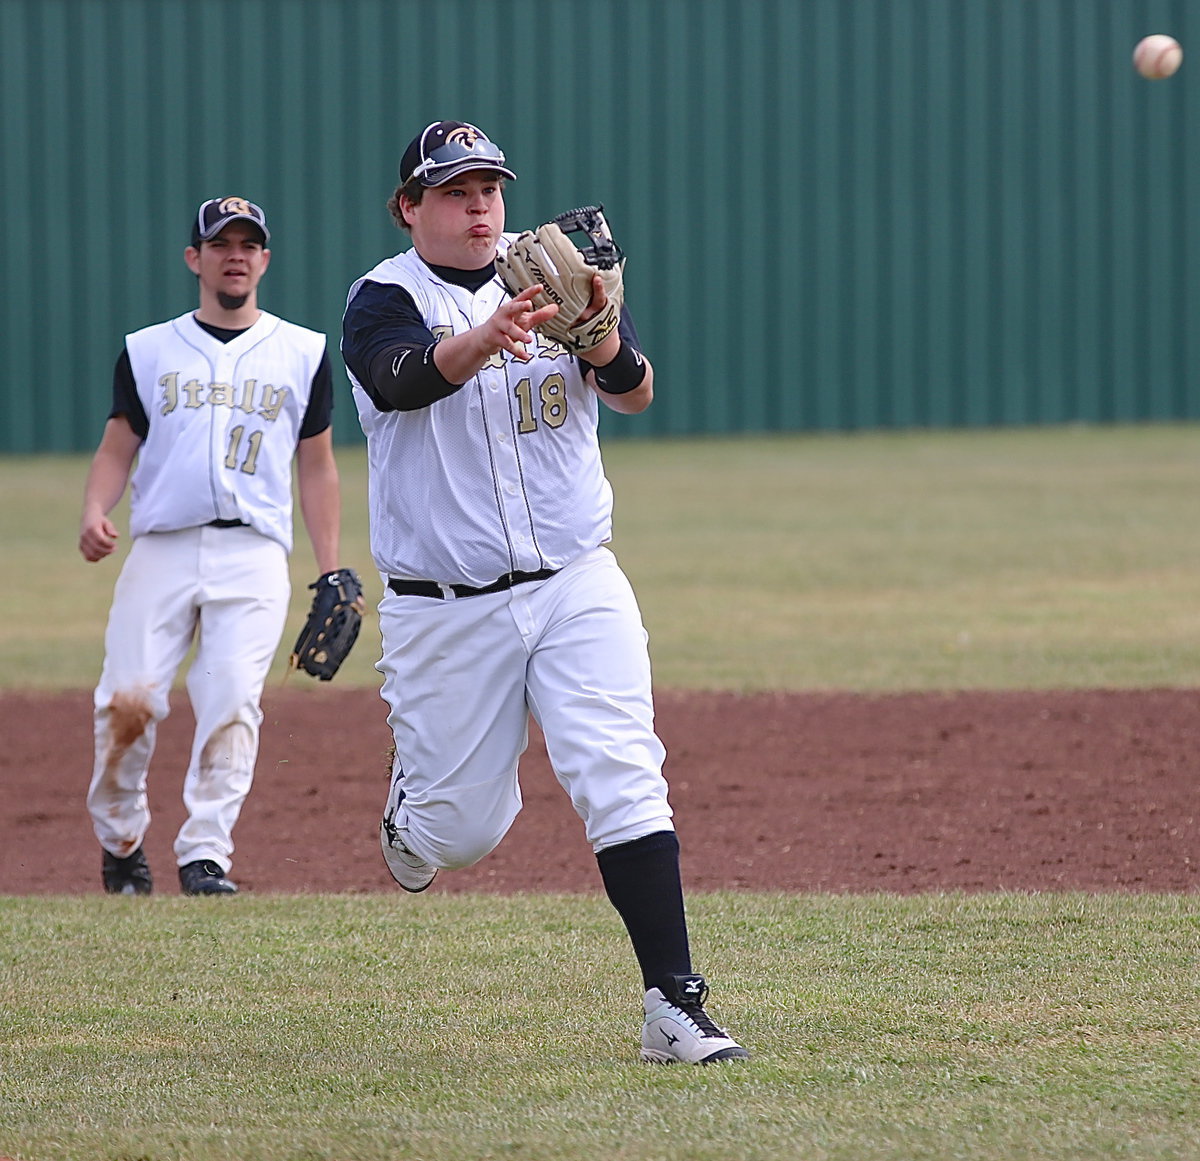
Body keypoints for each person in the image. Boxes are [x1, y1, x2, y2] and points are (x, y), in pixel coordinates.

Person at [341, 120, 749, 1064]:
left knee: (621, 770)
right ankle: (413, 806)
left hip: (576, 578)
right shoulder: (381, 298)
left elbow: (637, 391)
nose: (478, 205)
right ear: (410, 208)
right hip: (446, 605)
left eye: (488, 187)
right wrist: (487, 335)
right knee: (461, 832)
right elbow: (400, 383)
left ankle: (672, 1002)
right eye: (453, 190)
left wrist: (602, 339)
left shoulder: (554, 270)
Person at [79, 196, 344, 897]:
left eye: (248, 243)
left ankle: (206, 853)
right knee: (126, 700)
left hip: (254, 553)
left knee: (231, 700)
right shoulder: (148, 349)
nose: (235, 254)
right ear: (194, 258)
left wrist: (330, 567)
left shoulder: (302, 351)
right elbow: (115, 449)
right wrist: (93, 507)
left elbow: (315, 465)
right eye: (219, 243)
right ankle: (121, 838)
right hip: (161, 546)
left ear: (264, 257)